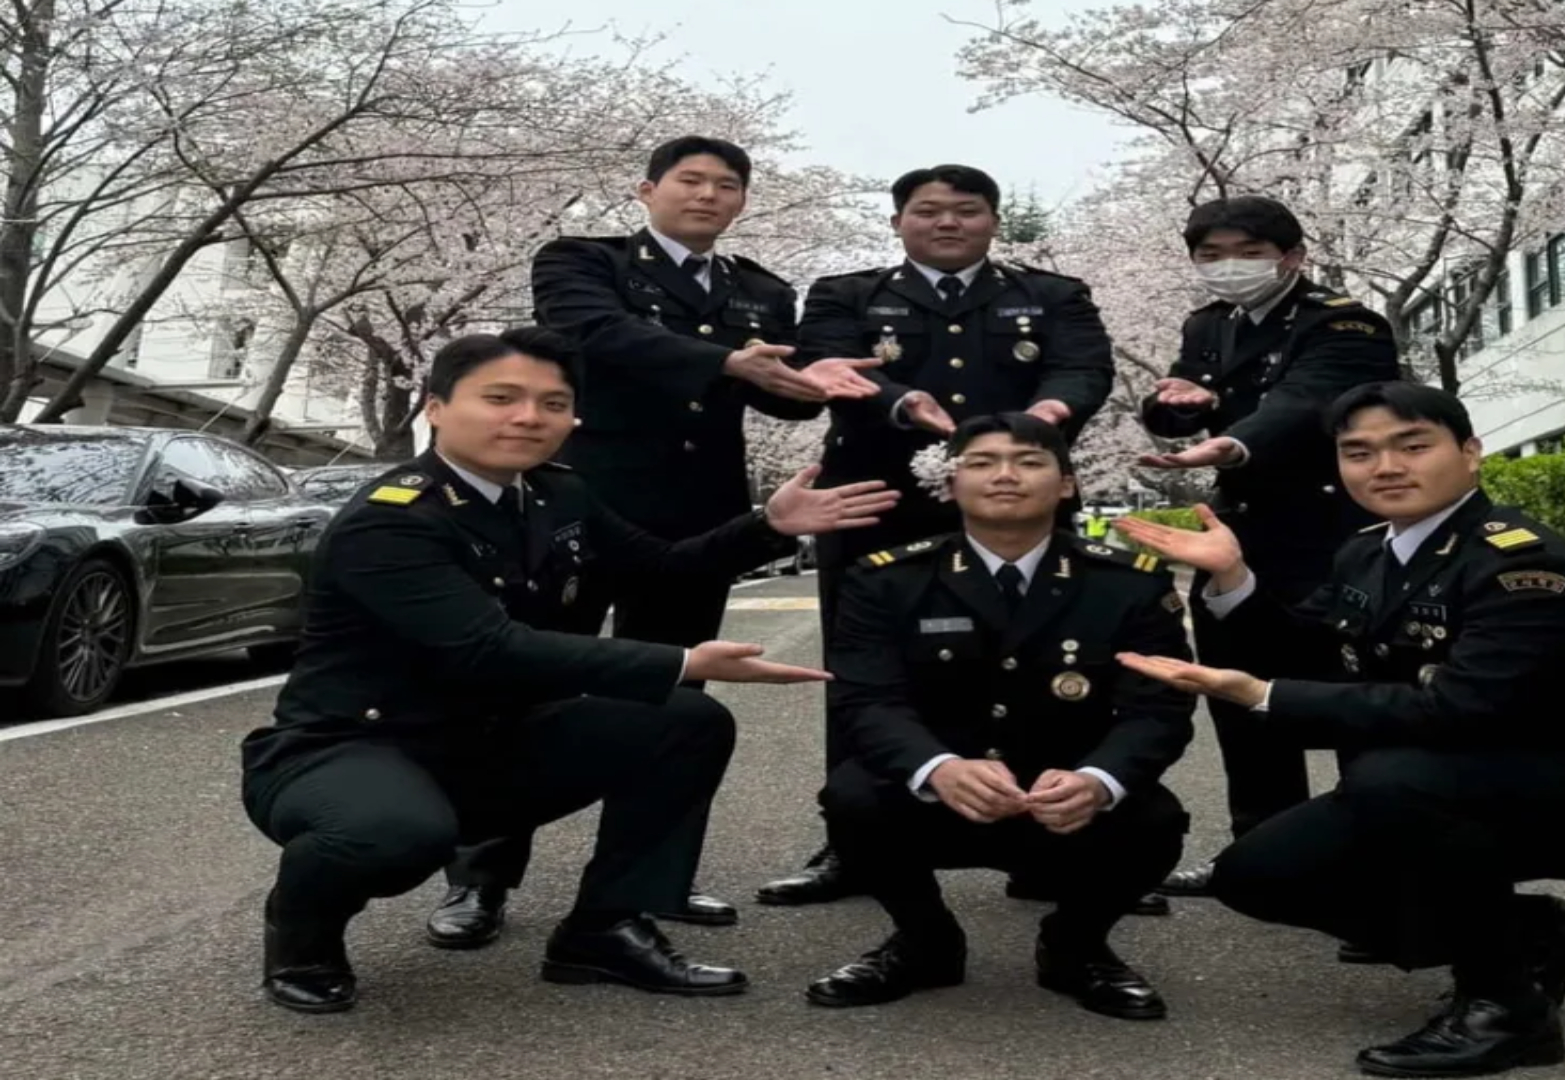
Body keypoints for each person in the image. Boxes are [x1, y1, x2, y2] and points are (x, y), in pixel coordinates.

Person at [238, 328, 900, 1014]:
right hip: (353, 748)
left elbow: (662, 568)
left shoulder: (557, 494)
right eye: (501, 398)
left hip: (488, 744)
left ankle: (605, 928)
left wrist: (771, 526)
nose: (529, 417)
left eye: (552, 404)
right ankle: (302, 931)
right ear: (435, 407)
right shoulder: (393, 520)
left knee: (686, 721)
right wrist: (678, 661)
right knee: (392, 834)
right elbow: (488, 647)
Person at [1115, 383, 1565, 1076]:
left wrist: (1265, 696)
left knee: (1391, 779)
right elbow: (1309, 650)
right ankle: (1532, 932)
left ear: (1470, 453)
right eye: (1359, 452)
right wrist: (1233, 578)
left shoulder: (1523, 564)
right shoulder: (1367, 552)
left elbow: (1462, 709)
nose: (1386, 467)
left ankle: (1505, 1009)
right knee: (1255, 876)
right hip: (1453, 779)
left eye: (1413, 446)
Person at [436, 136, 879, 938]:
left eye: (726, 185)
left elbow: (780, 397)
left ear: (742, 201)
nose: (708, 195)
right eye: (690, 180)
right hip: (574, 501)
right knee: (525, 686)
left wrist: (813, 385)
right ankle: (480, 880)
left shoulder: (762, 290)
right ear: (647, 190)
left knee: (677, 697)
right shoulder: (583, 260)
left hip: (695, 514)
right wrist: (730, 363)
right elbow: (592, 333)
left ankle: (648, 880)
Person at [757, 164, 1119, 909]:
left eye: (966, 209)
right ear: (897, 222)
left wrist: (1044, 418)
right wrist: (901, 401)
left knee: (1042, 657)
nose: (947, 222)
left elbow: (1084, 368)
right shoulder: (846, 294)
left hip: (1017, 498)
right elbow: (826, 365)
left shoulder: (1052, 295)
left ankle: (1054, 832)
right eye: (927, 211)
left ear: (993, 220)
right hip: (876, 503)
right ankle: (853, 839)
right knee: (862, 669)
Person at [805, 413, 1194, 1020]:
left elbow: (1160, 707)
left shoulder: (1128, 583)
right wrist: (937, 768)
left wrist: (1099, 780)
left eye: (1029, 461)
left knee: (1154, 820)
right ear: (948, 483)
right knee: (852, 800)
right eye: (982, 462)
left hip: (1064, 797)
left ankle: (1074, 946)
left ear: (1066, 484)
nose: (1006, 475)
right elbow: (866, 700)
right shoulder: (886, 580)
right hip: (942, 796)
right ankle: (926, 942)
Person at [1136, 195, 1400, 899]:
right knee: (1236, 691)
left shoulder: (1343, 321)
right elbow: (1184, 398)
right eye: (1211, 255)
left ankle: (1372, 865)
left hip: (1334, 535)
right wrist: (1172, 407)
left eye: (1248, 253)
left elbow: (1308, 400)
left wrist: (1230, 443)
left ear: (1292, 257)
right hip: (1240, 533)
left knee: (1352, 697)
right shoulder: (1209, 324)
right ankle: (1261, 858)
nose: (1229, 267)